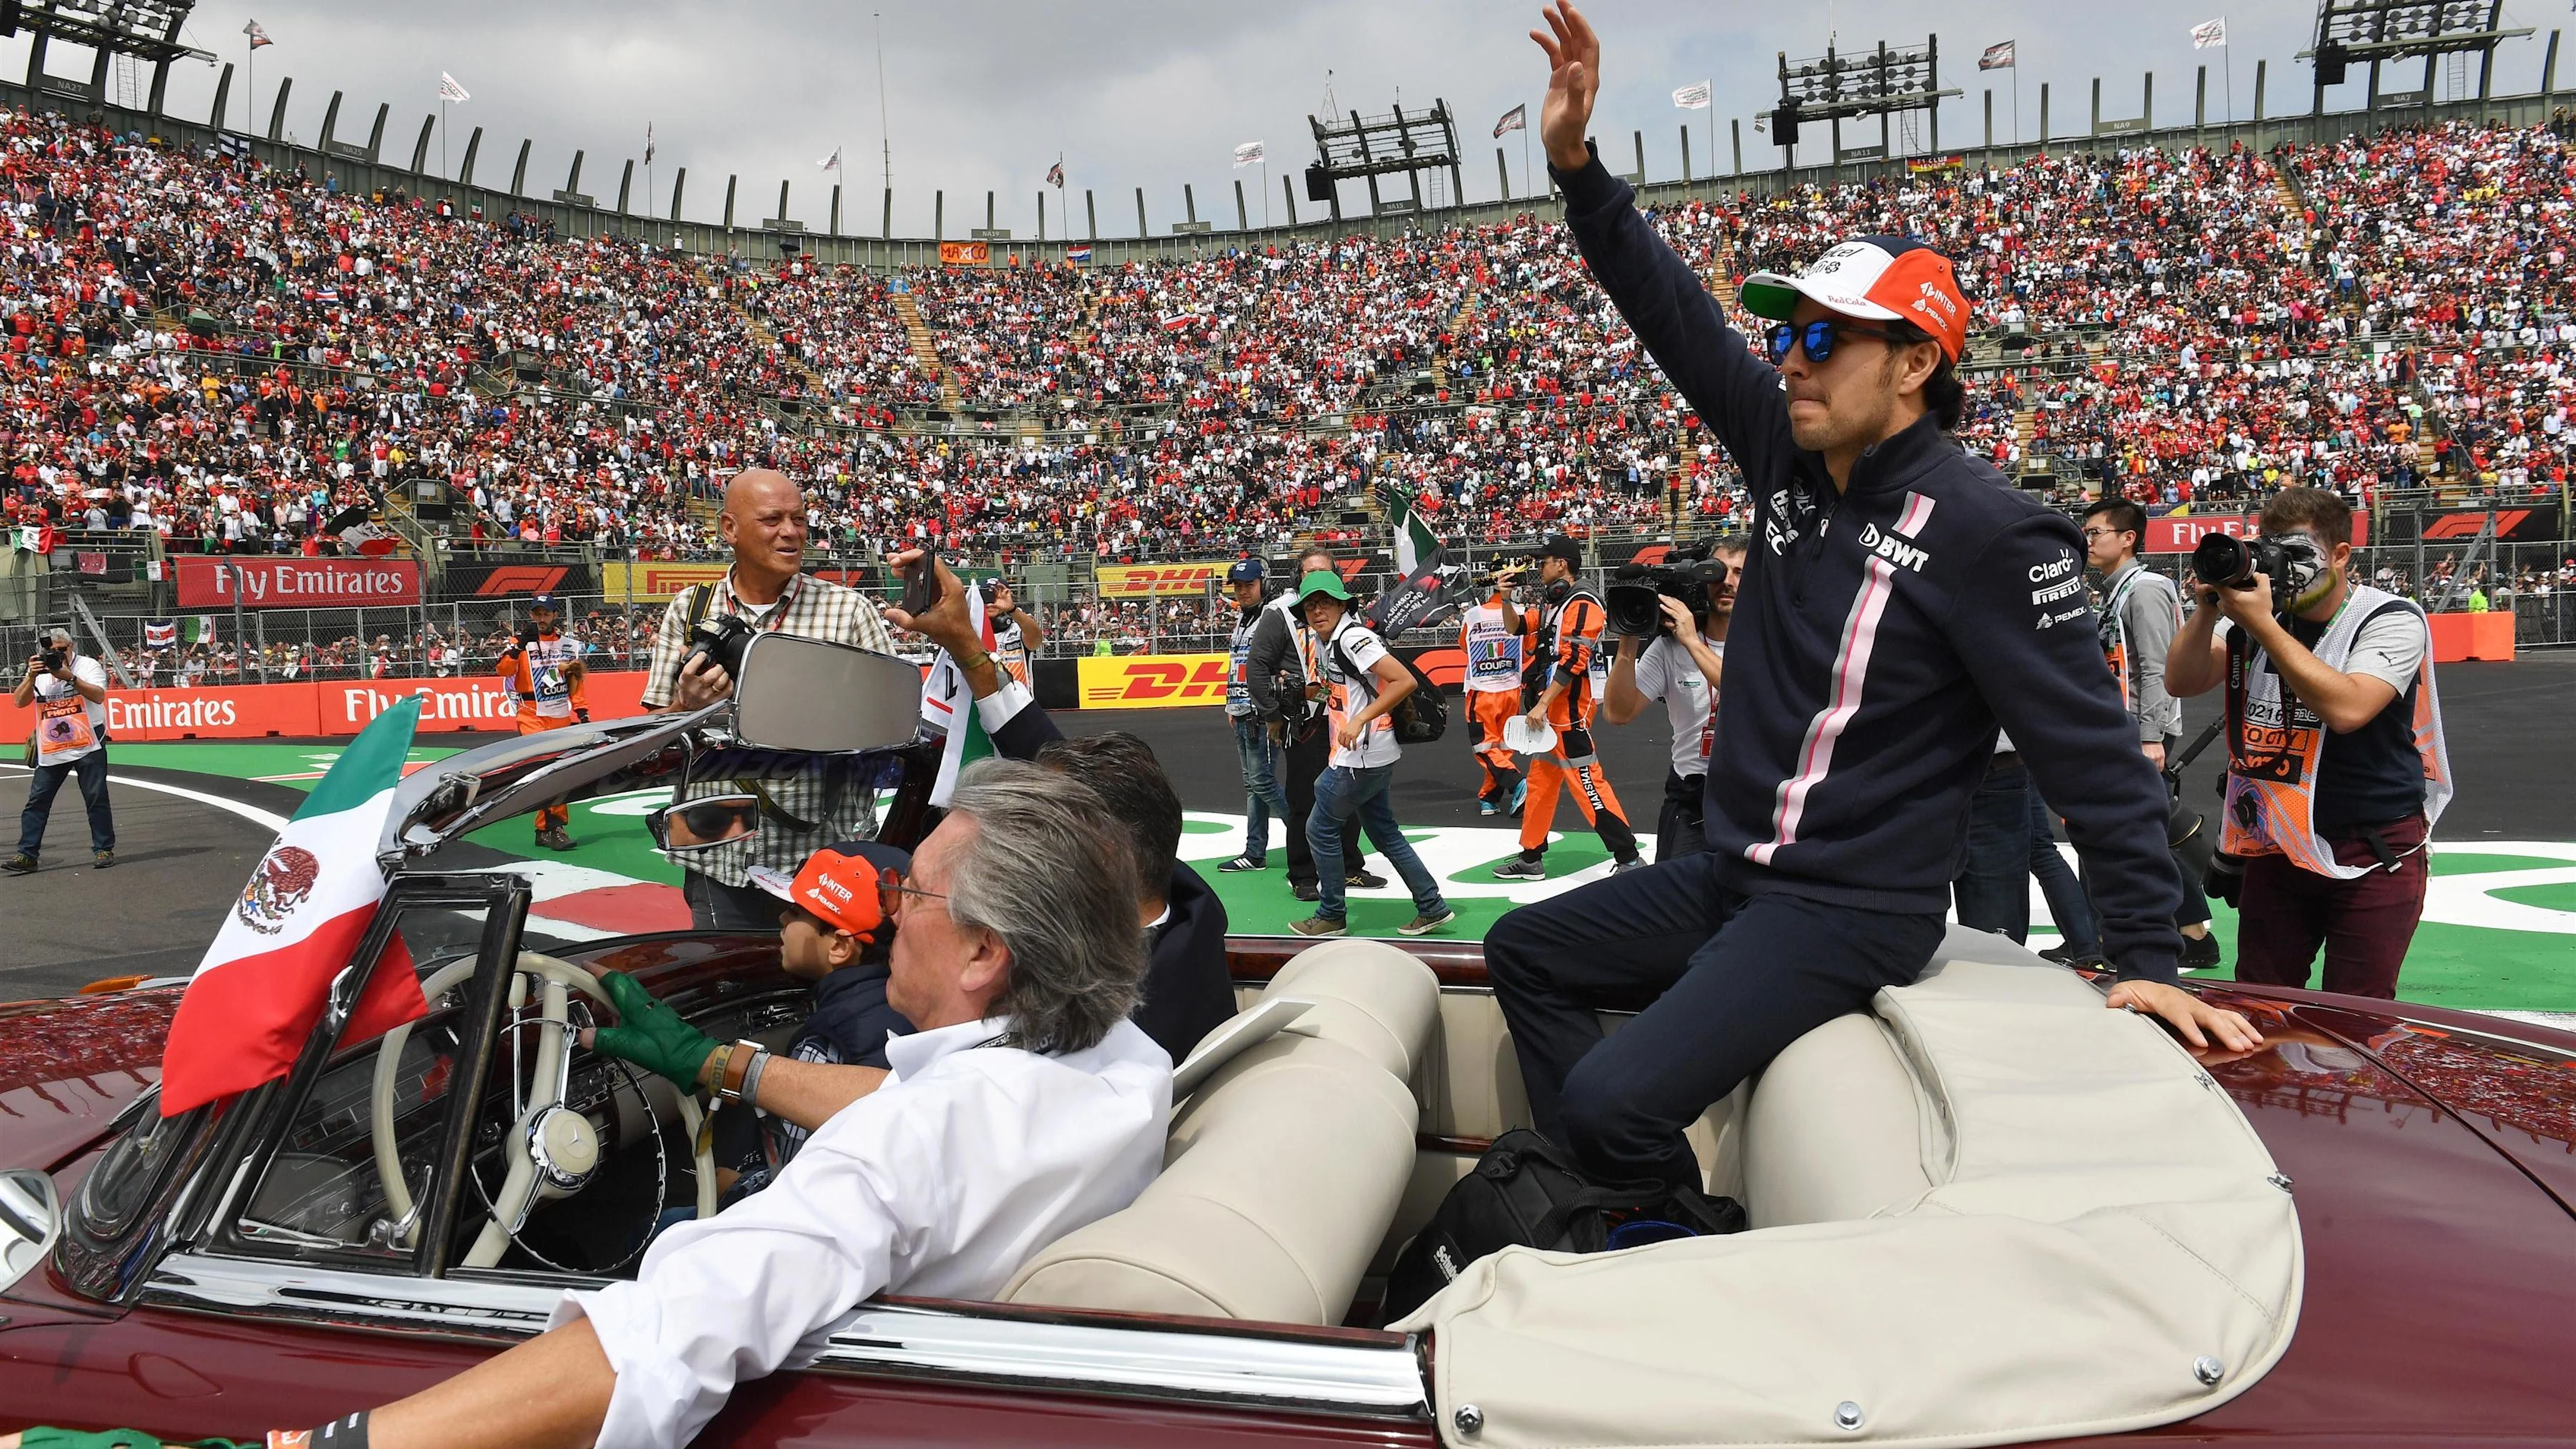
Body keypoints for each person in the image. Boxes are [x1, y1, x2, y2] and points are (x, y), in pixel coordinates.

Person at [1484, 2, 2258, 1191]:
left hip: (1849, 908)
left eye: (1827, 339)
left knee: (1609, 1098)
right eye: (1788, 331)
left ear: (1912, 364)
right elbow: (1671, 314)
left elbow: (2091, 751)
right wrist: (1578, 167)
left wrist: (2148, 950)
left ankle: (1663, 1252)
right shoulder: (1785, 444)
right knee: (1522, 949)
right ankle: (1607, 1207)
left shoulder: (1997, 532)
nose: (1791, 356)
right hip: (1737, 875)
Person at [70, 760, 1172, 1449]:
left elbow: (665, 1338)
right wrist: (713, 1065)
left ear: (985, 952)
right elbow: (928, 1115)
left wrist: (323, 1448)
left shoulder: (911, 1141)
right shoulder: (1124, 1064)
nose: (891, 916)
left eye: (912, 895)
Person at [886, 549, 1235, 1060]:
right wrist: (965, 641)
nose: (1021, 842)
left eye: (1042, 827)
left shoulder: (1118, 1016)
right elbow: (1044, 753)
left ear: (1101, 855)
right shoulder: (1167, 890)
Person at [2164, 486, 2450, 999]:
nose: (2280, 569)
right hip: (2279, 846)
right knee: (2262, 1003)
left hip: (2372, 847)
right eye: (2271, 551)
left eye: (2297, 554)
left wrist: (2262, 625)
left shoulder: (2391, 619)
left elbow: (2348, 709)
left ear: (2341, 555)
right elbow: (2182, 681)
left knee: (2356, 1011)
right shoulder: (2262, 616)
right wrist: (2208, 607)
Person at [641, 468, 895, 930]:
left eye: (799, 519)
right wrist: (687, 708)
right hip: (718, 862)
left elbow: (895, 729)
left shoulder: (848, 610)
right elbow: (653, 736)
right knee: (729, 993)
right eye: (772, 519)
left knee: (828, 999)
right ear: (729, 529)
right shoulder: (689, 609)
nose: (791, 532)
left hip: (826, 861)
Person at [1035, 731, 1235, 1061]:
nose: (1016, 848)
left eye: (1039, 829)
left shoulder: (1104, 1030)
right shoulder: (1189, 917)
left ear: (1102, 858)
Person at [2081, 498, 2218, 970]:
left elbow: (2158, 668)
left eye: (2096, 531)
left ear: (2128, 538)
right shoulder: (2118, 589)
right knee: (2140, 832)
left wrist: (2152, 735)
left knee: (2141, 834)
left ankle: (2191, 933)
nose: (2088, 540)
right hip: (2125, 729)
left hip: (2141, 732)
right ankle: (2192, 931)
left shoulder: (2145, 589)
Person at [1288, 570, 1455, 939]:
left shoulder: (1352, 638)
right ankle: (1432, 905)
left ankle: (1332, 914)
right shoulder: (1332, 640)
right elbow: (1347, 693)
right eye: (1311, 605)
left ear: (1341, 604)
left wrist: (1360, 719)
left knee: (1319, 829)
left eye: (1325, 602)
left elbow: (1404, 680)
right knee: (1385, 833)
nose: (1317, 611)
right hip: (1369, 754)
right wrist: (1309, 695)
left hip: (1360, 757)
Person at [1494, 533, 1642, 879]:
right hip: (1552, 711)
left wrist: (1543, 704)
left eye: (1543, 561)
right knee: (1541, 782)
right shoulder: (1555, 602)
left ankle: (1629, 857)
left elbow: (1575, 659)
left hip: (1567, 711)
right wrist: (1505, 598)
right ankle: (1531, 856)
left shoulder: (1584, 601)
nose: (1538, 568)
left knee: (1587, 782)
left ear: (1561, 564)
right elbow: (1517, 626)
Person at [1244, 545, 1375, 901]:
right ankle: (1302, 873)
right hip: (1303, 721)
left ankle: (1350, 866)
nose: (1316, 584)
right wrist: (1271, 713)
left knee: (1349, 794)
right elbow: (1255, 668)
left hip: (1343, 718)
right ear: (1296, 580)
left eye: (1325, 575)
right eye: (1308, 574)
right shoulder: (1280, 613)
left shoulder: (1346, 614)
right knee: (1303, 798)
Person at [1601, 537, 1744, 861]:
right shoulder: (1670, 647)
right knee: (1674, 902)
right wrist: (1628, 641)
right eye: (1719, 571)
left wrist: (1693, 641)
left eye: (1739, 573)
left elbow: (1745, 692)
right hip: (1690, 796)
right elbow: (1617, 713)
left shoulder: (1767, 638)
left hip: (1752, 794)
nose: (1728, 582)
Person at [7, 627, 113, 874]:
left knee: (96, 798)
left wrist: (69, 677)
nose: (56, 655)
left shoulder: (87, 666)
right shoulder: (40, 670)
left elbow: (99, 696)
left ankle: (103, 849)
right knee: (37, 801)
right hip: (53, 745)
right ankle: (27, 855)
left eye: (61, 650)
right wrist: (31, 677)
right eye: (51, 651)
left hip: (88, 743)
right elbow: (19, 701)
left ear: (71, 646)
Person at [1217, 558, 1296, 874]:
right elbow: (1238, 665)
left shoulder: (1273, 614)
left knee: (1262, 781)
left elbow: (1272, 663)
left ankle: (1310, 833)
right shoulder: (1244, 618)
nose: (1242, 591)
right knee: (1253, 785)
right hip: (1241, 710)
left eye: (1248, 585)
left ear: (1264, 583)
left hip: (1262, 713)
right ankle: (1255, 852)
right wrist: (1230, 704)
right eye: (1237, 586)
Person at [497, 592, 590, 852]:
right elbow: (503, 670)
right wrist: (518, 648)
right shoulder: (519, 643)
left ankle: (543, 829)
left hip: (560, 712)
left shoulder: (569, 645)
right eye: (537, 613)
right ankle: (556, 827)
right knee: (547, 767)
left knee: (556, 770)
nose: (541, 618)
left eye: (546, 613)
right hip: (530, 713)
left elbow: (575, 683)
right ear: (531, 615)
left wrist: (582, 713)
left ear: (554, 615)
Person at [1457, 561, 1538, 817]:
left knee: (1484, 746)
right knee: (1502, 748)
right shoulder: (1523, 613)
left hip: (1482, 691)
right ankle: (1489, 797)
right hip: (1511, 690)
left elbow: (1464, 648)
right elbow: (1528, 653)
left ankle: (1518, 783)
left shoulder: (1473, 615)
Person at [985, 576, 1043, 687]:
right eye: (986, 596)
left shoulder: (1018, 627)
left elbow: (1036, 638)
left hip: (1018, 702)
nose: (991, 602)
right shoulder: (973, 631)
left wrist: (1012, 609)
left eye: (997, 595)